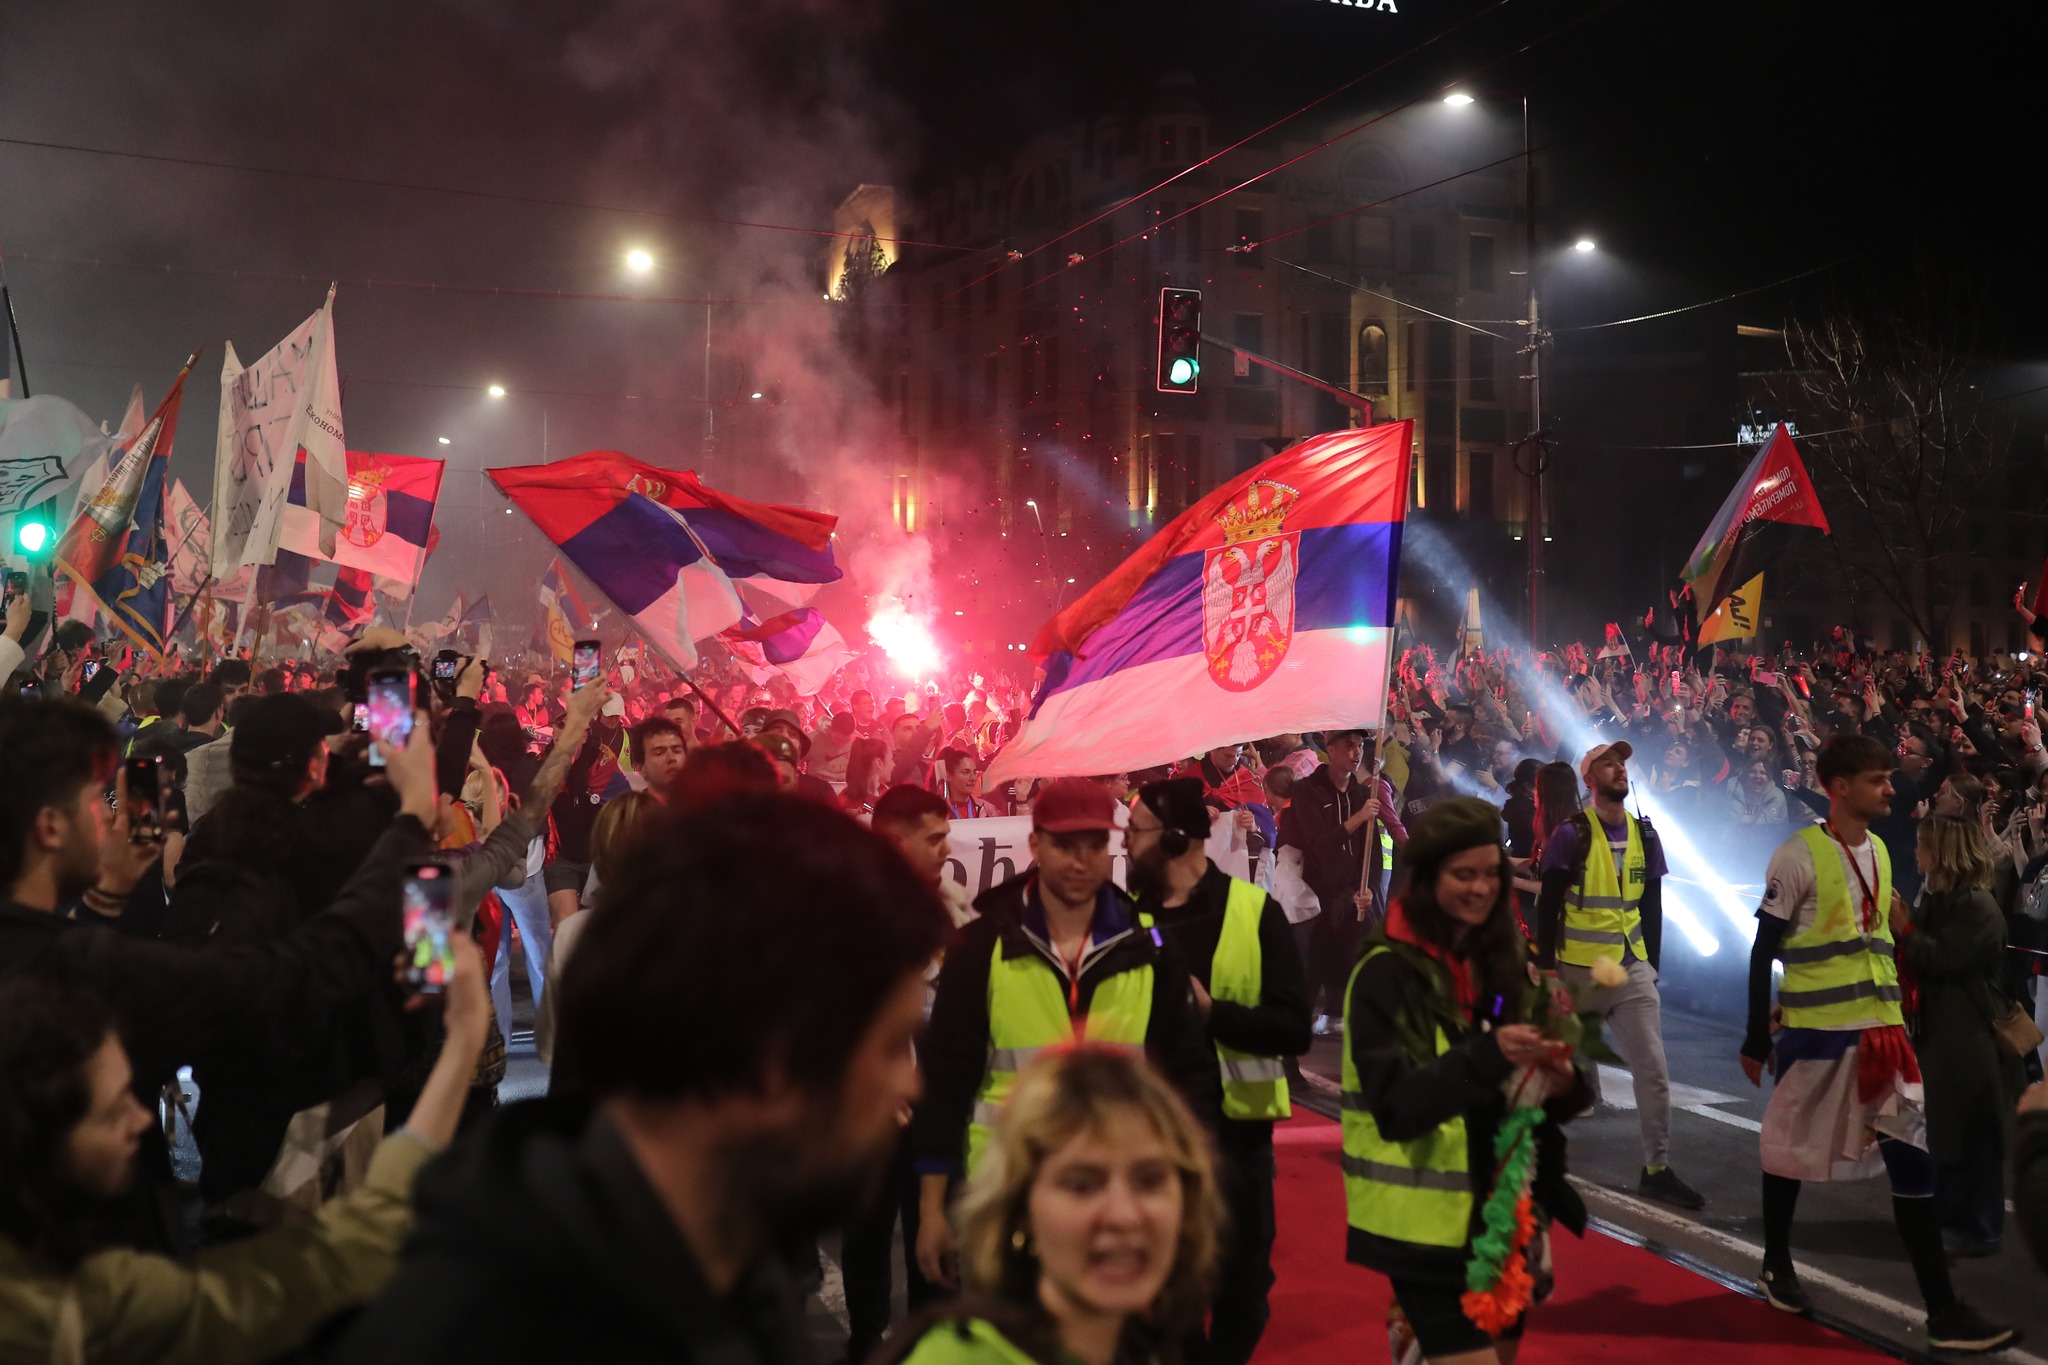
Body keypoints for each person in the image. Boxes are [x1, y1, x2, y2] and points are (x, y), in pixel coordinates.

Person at [335, 792, 952, 1360]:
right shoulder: (504, 1314)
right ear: (776, 1053)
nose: (911, 1085)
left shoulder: (738, 1273)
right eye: (887, 1047)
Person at [0, 694, 439, 1254]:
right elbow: (294, 975)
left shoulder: (195, 856)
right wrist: (411, 822)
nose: (110, 814)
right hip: (104, 1260)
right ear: (49, 827)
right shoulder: (82, 966)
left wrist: (108, 896)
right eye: (94, 801)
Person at [0, 934, 489, 1364]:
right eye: (112, 1111)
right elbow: (350, 1250)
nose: (143, 1118)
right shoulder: (91, 1309)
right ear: (35, 1141)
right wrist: (465, 1034)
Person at [1741, 735, 2014, 1352]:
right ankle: (1776, 1264)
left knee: (1913, 1156)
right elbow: (1764, 951)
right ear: (1840, 788)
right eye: (1877, 779)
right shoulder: (1798, 854)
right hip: (1819, 1036)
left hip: (1884, 1037)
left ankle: (1943, 1310)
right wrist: (1758, 1033)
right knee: (1787, 1150)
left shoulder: (1884, 852)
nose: (1892, 788)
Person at [914, 777, 1219, 1291]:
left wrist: (1186, 1194)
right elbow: (945, 1084)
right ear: (1036, 845)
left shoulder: (1150, 948)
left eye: (1094, 845)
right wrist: (931, 1208)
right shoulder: (980, 947)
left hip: (1114, 1203)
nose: (1080, 862)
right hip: (1005, 1198)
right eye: (1064, 846)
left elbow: (1190, 1079)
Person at [1342, 798, 1591, 1364]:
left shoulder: (1503, 961)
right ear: (1428, 879)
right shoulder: (1386, 972)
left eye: (1490, 873)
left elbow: (1535, 1092)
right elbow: (1396, 1108)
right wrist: (1489, 1055)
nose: (1480, 889)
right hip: (1424, 1227)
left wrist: (1564, 1082)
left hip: (1506, 1211)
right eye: (1462, 875)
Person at [1126, 778, 1310, 1365]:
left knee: (1244, 1291)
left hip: (1237, 1139)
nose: (1125, 844)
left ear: (1175, 838)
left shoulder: (1255, 914)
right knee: (1162, 1292)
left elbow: (1294, 1028)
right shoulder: (1125, 921)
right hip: (1151, 1141)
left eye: (1135, 832)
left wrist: (1215, 1013)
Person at [884, 1046, 1222, 1365]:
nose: (1123, 1215)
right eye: (1082, 1185)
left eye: (1150, 1180)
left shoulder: (1145, 1351)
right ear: (1020, 1210)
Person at [839, 784, 981, 1365]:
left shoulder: (955, 906)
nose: (947, 848)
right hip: (872, 1106)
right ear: (897, 843)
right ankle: (866, 1339)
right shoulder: (847, 913)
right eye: (935, 838)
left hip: (938, 1102)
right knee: (867, 1229)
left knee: (936, 1225)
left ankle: (930, 1343)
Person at [1533, 742, 1702, 1210]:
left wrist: (1653, 965)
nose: (1619, 769)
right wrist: (1547, 970)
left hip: (1631, 969)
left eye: (1622, 763)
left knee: (1654, 1071)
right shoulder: (1571, 834)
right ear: (1589, 779)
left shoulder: (1645, 834)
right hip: (1578, 972)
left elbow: (1652, 905)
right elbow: (1549, 905)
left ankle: (1657, 1169)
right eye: (1608, 764)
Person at [1898, 815, 2027, 1258]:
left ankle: (1979, 1229)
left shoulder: (1978, 906)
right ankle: (1947, 1218)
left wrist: (1904, 928)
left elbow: (1943, 958)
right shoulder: (1940, 899)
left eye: (1923, 843)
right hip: (1942, 1032)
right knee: (1945, 1130)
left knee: (1973, 1133)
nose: (1916, 851)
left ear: (1943, 852)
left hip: (1972, 1037)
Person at [1278, 729, 1405, 1036]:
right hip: (1315, 893)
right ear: (1330, 749)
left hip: (1350, 893)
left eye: (1360, 746)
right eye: (1349, 745)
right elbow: (1318, 844)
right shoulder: (1308, 791)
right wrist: (1357, 819)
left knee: (1355, 958)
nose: (1357, 752)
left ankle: (1340, 1018)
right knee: (1311, 965)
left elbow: (1372, 852)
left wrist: (1368, 888)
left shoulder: (1363, 794)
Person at [628, 715, 689, 796]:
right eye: (659, 753)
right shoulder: (630, 804)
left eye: (677, 751)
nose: (671, 758)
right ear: (640, 768)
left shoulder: (702, 802)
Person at [937, 746, 996, 820]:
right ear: (949, 776)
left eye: (974, 772)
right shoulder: (937, 813)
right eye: (966, 772)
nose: (973, 778)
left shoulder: (988, 810)